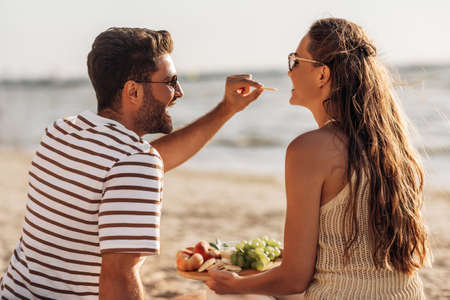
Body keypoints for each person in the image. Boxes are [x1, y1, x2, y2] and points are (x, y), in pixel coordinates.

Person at [0, 27, 265, 299]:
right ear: (133, 91)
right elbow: (118, 279)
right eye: (170, 82)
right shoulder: (134, 163)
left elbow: (143, 162)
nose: (179, 92)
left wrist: (227, 108)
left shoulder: (62, 131)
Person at [206, 17, 429, 299]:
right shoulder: (393, 146)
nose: (289, 73)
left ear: (322, 75)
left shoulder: (308, 149)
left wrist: (233, 285)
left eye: (295, 61)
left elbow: (294, 279)